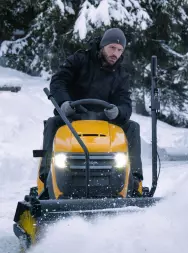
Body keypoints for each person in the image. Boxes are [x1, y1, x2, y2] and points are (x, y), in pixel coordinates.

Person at [39, 28, 143, 196]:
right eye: (112, 48)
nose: (115, 53)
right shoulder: (79, 60)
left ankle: (135, 182)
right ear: (103, 46)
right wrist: (64, 102)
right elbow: (59, 81)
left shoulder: (121, 75)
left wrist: (118, 112)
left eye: (119, 50)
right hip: (73, 117)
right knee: (52, 123)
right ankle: (46, 179)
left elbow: (125, 103)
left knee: (132, 127)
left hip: (104, 120)